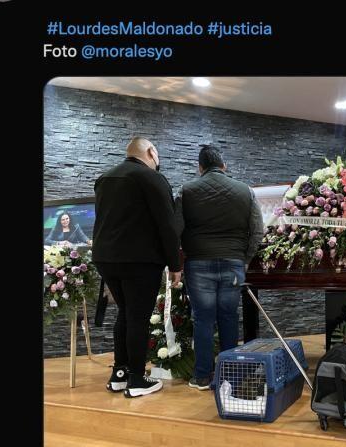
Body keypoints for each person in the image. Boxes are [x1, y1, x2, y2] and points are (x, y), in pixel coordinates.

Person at [93, 136, 182, 398]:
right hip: (140, 260)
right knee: (138, 318)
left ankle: (119, 374)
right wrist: (175, 264)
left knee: (125, 313)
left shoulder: (104, 178)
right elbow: (167, 225)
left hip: (105, 258)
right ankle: (137, 379)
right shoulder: (151, 178)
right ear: (151, 152)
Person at [174, 145, 264, 390]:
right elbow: (258, 231)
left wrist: (178, 261)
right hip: (233, 263)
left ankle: (202, 376)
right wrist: (244, 259)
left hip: (198, 264)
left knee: (202, 319)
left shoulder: (186, 191)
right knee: (228, 316)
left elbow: (175, 230)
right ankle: (229, 376)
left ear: (200, 167)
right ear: (224, 166)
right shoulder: (246, 191)